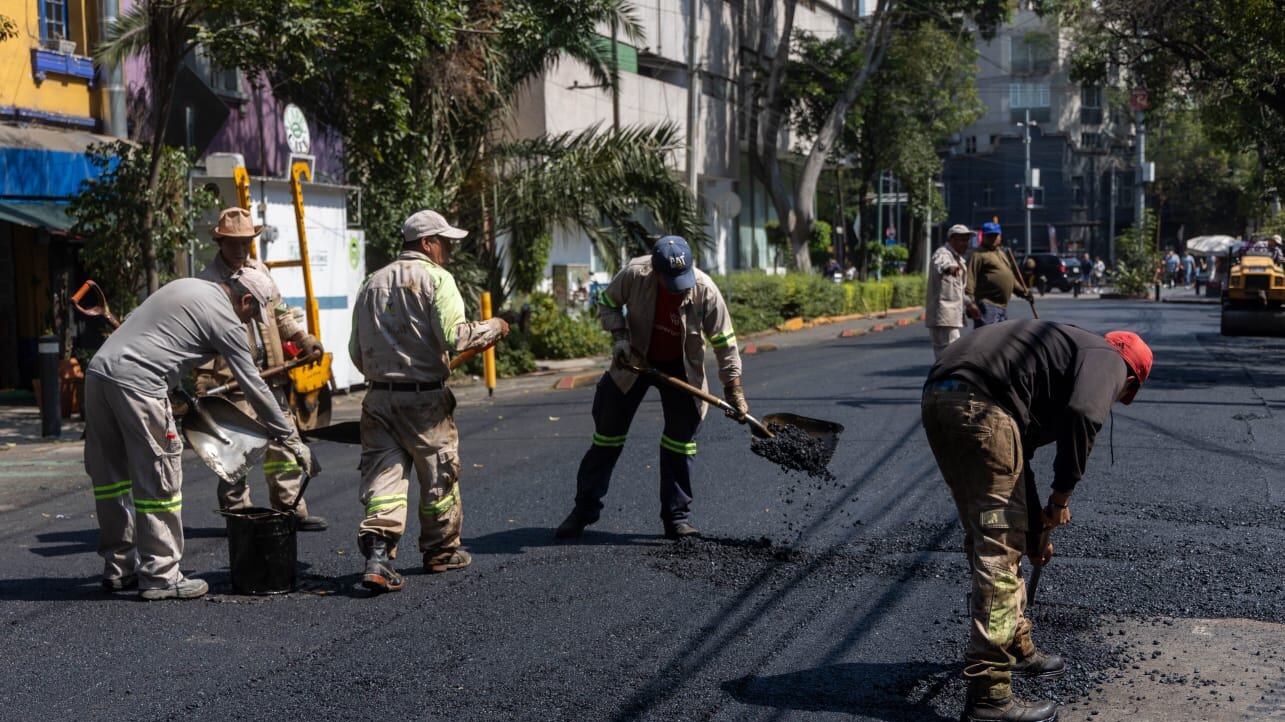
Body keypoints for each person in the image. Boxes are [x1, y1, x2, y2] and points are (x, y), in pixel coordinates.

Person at [922, 321, 1152, 722]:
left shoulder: (1058, 359)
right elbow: (1085, 414)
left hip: (941, 396)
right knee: (997, 548)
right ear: (1130, 381)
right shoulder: (1111, 360)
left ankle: (1014, 646)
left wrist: (1034, 533)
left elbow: (1016, 459)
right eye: (1124, 395)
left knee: (991, 533)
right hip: (980, 404)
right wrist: (1061, 496)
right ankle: (989, 696)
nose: (1118, 398)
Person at [85, 268, 318, 600]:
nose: (251, 322)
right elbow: (254, 386)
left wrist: (175, 383)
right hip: (139, 385)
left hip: (99, 375)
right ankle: (161, 576)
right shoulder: (226, 318)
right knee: (159, 479)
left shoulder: (188, 285)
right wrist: (291, 438)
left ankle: (119, 569)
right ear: (246, 300)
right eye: (253, 313)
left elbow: (152, 335)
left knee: (112, 480)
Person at [348, 210, 510, 594]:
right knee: (439, 476)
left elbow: (356, 351)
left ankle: (378, 556)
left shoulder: (372, 282)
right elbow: (458, 337)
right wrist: (495, 327)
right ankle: (440, 551)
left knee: (383, 479)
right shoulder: (437, 278)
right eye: (445, 243)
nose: (449, 250)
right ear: (426, 243)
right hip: (424, 403)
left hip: (379, 400)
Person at [555, 236, 746, 540]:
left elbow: (725, 343)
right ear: (655, 271)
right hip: (635, 360)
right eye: (669, 280)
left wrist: (733, 389)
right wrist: (619, 337)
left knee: (680, 442)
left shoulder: (705, 290)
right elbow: (607, 304)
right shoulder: (634, 274)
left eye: (681, 280)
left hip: (681, 368)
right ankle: (584, 510)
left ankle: (676, 517)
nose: (678, 287)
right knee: (607, 436)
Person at [195, 207, 328, 531]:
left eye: (246, 242)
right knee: (236, 451)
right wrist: (202, 381)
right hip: (232, 381)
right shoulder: (207, 284)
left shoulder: (260, 271)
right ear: (220, 242)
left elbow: (280, 313)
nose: (241, 248)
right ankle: (238, 513)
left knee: (284, 444)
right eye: (234, 243)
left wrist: (302, 337)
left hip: (271, 376)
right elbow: (200, 338)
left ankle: (290, 508)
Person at [925, 224, 978, 359]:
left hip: (952, 317)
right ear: (952, 239)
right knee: (948, 356)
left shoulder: (959, 259)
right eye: (962, 240)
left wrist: (969, 304)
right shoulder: (943, 253)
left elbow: (958, 289)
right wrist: (949, 268)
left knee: (951, 355)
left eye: (967, 240)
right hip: (943, 316)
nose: (966, 244)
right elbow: (941, 264)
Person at [965, 222, 1030, 328]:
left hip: (1002, 307)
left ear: (1000, 236)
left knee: (1000, 339)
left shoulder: (1001, 253)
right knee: (987, 337)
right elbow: (970, 279)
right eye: (990, 236)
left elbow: (1010, 278)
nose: (993, 238)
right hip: (987, 305)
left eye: (996, 235)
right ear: (984, 236)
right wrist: (970, 304)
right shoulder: (978, 255)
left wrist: (1024, 292)